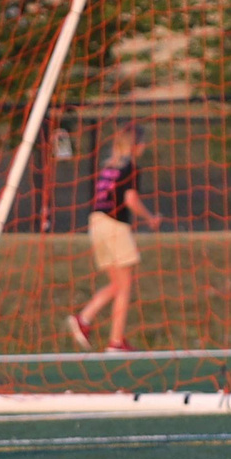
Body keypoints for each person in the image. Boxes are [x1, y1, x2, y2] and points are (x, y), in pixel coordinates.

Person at [67, 124, 161, 352]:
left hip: (96, 223)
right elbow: (130, 199)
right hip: (114, 225)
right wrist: (150, 218)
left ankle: (84, 319)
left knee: (118, 284)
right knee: (126, 285)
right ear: (136, 144)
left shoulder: (109, 166)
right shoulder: (130, 167)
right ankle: (116, 341)